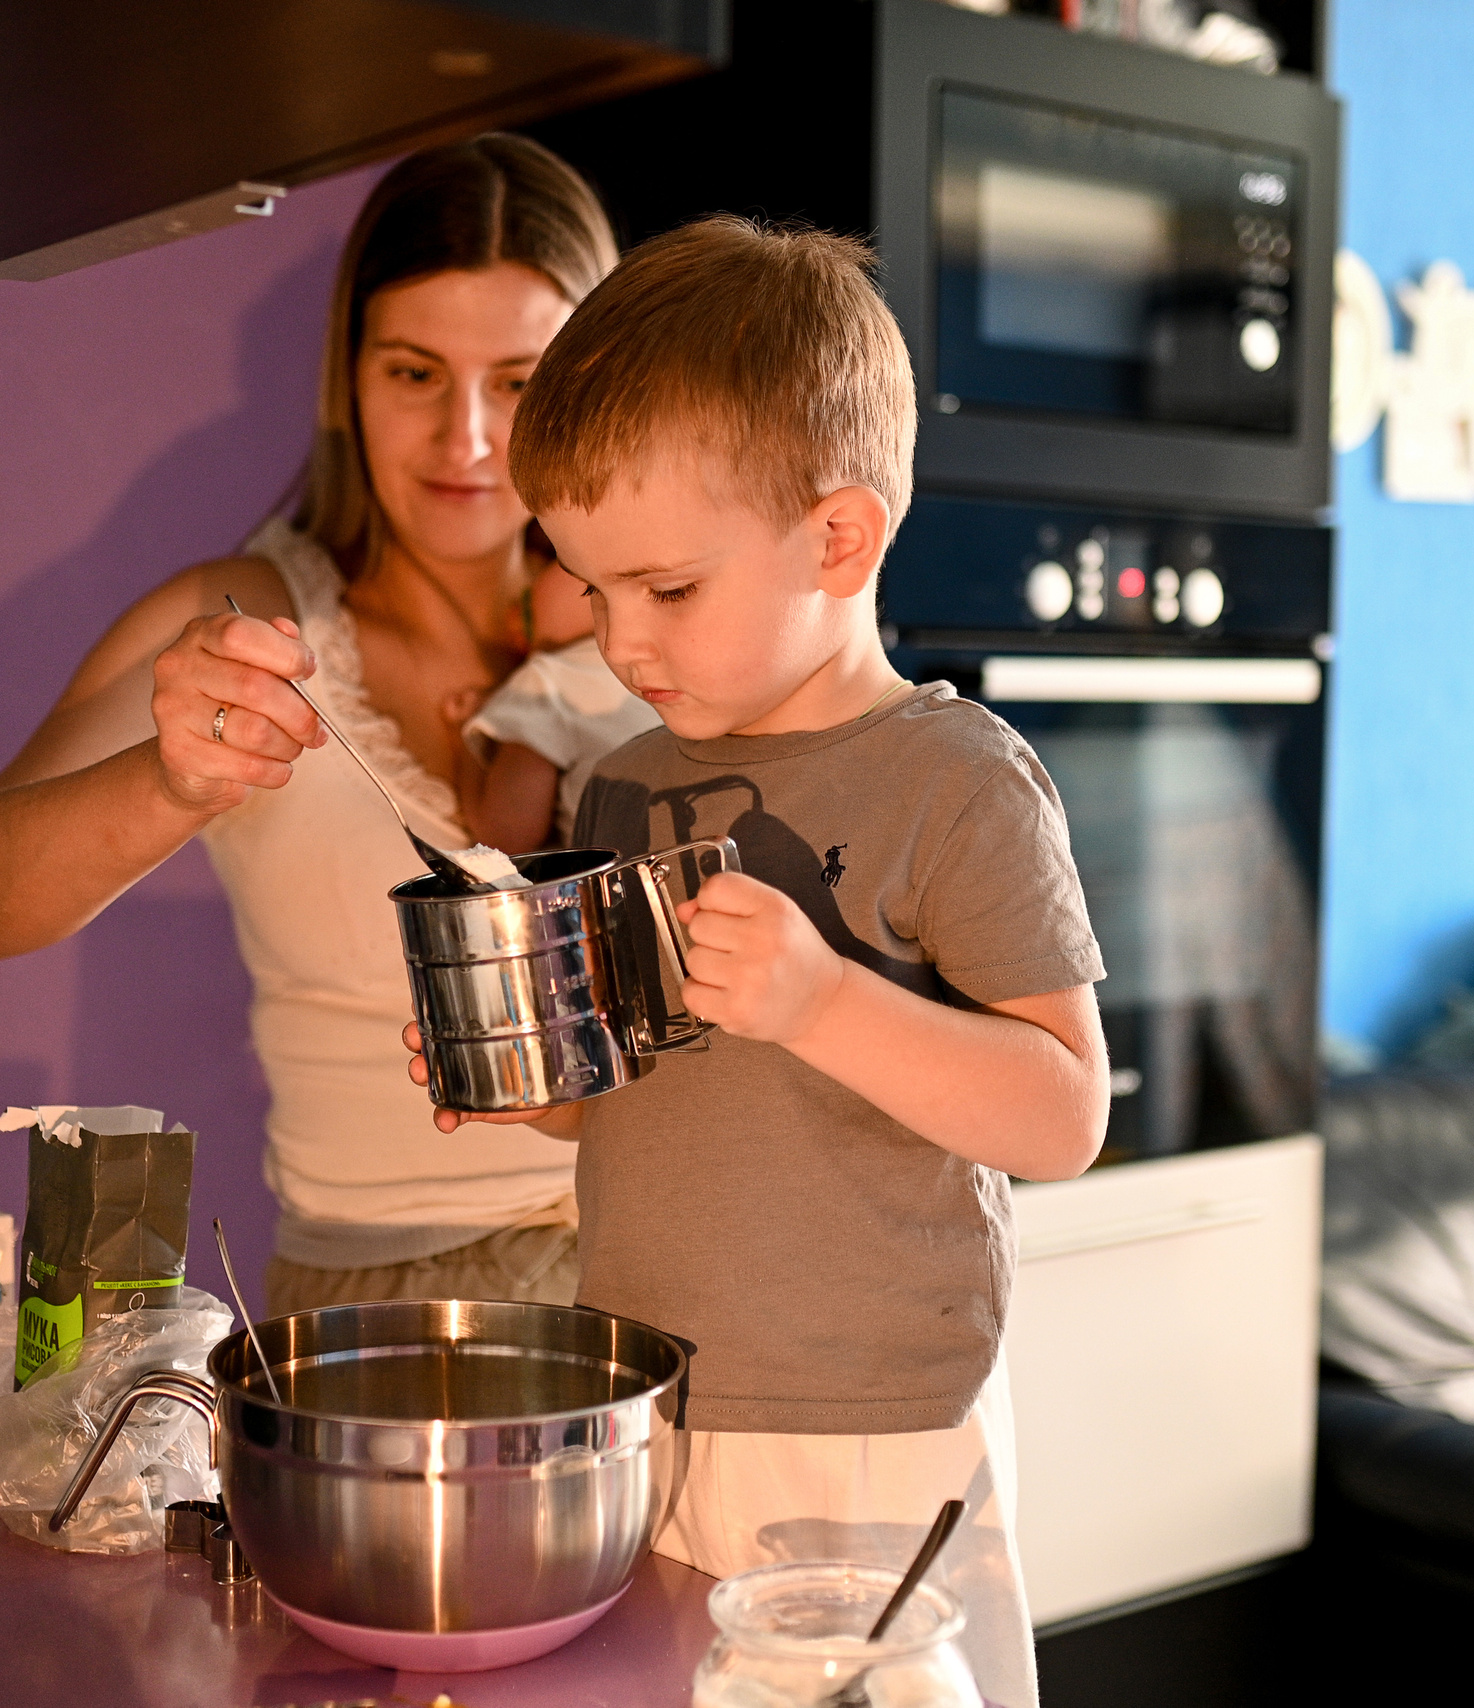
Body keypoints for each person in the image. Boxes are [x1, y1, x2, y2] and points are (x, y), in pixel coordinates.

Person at [404, 216, 1113, 1706]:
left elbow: (1062, 1116)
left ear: (839, 538)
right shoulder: (619, 787)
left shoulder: (958, 782)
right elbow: (634, 1099)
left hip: (868, 1425)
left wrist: (825, 998)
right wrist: (518, 1069)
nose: (619, 642)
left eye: (666, 590)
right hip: (644, 1403)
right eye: (591, 591)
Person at [0, 135, 649, 1315]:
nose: (467, 441)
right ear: (348, 374)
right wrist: (170, 782)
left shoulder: (665, 615)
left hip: (681, 1267)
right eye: (415, 373)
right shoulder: (235, 622)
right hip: (374, 1311)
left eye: (520, 381)